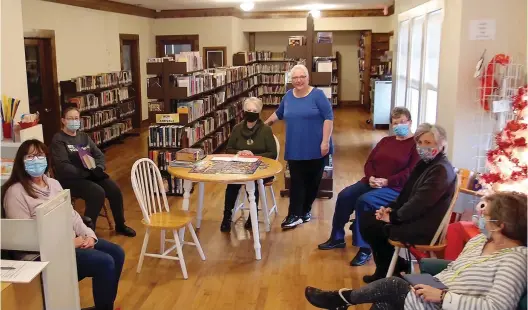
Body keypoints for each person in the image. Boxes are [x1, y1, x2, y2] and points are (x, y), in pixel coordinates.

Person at [304, 191, 527, 310]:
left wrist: (442, 296)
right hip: (433, 295)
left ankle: (340, 299)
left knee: (392, 285)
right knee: (384, 303)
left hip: (445, 304)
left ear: (500, 225)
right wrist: (429, 283)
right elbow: (458, 271)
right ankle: (342, 300)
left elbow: (497, 307)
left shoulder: (514, 262)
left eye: (484, 215)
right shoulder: (479, 242)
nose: (478, 219)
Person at [2, 139, 125, 310]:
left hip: (67, 244)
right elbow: (25, 242)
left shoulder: (53, 184)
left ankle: (105, 306)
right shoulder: (15, 193)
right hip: (43, 255)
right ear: (21, 162)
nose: (36, 160)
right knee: (104, 262)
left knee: (117, 253)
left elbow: (72, 215)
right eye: (30, 157)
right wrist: (69, 244)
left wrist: (89, 234)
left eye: (40, 155)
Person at [318, 107, 419, 267]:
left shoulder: (415, 146)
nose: (399, 125)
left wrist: (386, 181)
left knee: (364, 201)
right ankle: (337, 237)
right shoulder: (386, 141)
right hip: (371, 181)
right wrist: (371, 176)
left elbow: (410, 173)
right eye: (395, 123)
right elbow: (370, 161)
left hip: (395, 189)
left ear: (410, 122)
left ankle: (365, 248)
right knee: (345, 195)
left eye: (402, 122)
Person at [360, 123, 457, 283]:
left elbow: (420, 203)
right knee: (367, 218)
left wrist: (393, 217)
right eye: (419, 142)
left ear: (441, 145)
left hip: (425, 226)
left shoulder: (440, 170)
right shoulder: (425, 164)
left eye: (428, 143)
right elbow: (406, 194)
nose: (422, 146)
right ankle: (392, 267)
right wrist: (390, 208)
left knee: (372, 225)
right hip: (415, 217)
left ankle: (391, 269)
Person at [264, 64, 334, 229]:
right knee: (297, 182)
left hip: (317, 147)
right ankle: (294, 214)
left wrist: (325, 141)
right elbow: (279, 113)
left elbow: (328, 117)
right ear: (291, 80)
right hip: (295, 147)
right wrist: (264, 125)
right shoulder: (288, 96)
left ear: (308, 77)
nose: (298, 80)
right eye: (295, 78)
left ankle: (305, 211)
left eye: (302, 77)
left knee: (313, 182)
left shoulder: (318, 95)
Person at [51, 105, 135, 237]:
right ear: (63, 120)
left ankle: (120, 225)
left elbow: (99, 155)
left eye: (76, 118)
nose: (74, 121)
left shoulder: (83, 137)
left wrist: (99, 168)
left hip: (90, 174)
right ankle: (88, 233)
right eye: (70, 118)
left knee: (114, 190)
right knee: (97, 193)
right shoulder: (59, 139)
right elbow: (63, 166)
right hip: (71, 179)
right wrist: (83, 173)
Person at [221, 97, 278, 232]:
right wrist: (240, 152)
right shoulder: (237, 128)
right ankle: (227, 216)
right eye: (248, 110)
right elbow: (228, 149)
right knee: (232, 184)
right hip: (240, 166)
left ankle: (253, 216)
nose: (251, 112)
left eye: (254, 110)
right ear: (243, 111)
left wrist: (254, 156)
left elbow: (273, 153)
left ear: (259, 112)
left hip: (260, 167)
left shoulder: (265, 130)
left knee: (253, 183)